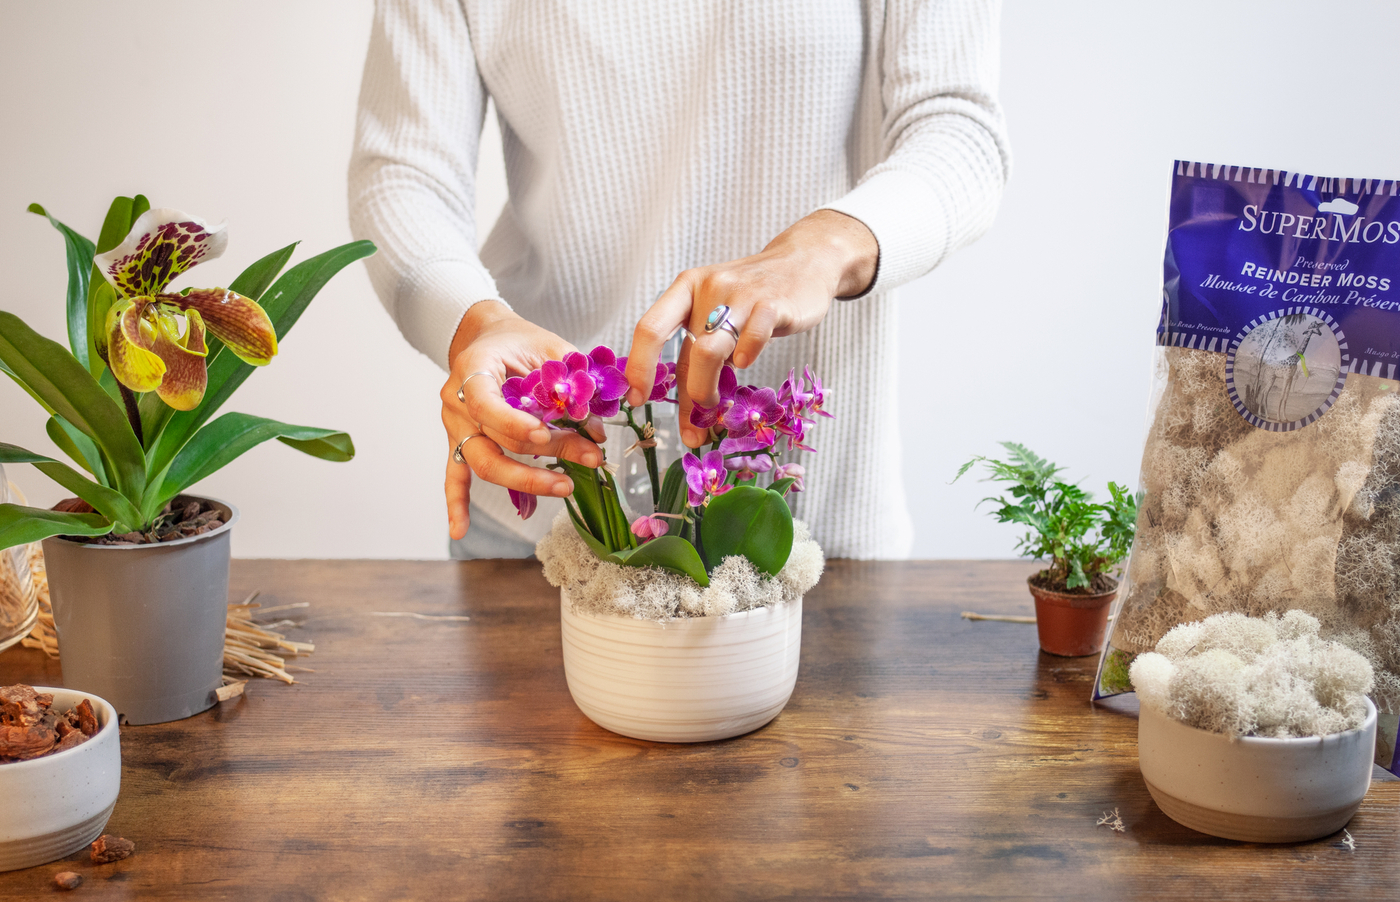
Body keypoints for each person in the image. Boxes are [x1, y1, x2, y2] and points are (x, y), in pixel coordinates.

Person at [349, 0, 1011, 560]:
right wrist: (472, 324)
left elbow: (957, 127)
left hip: (813, 523)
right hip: (545, 508)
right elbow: (403, 172)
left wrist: (824, 246)